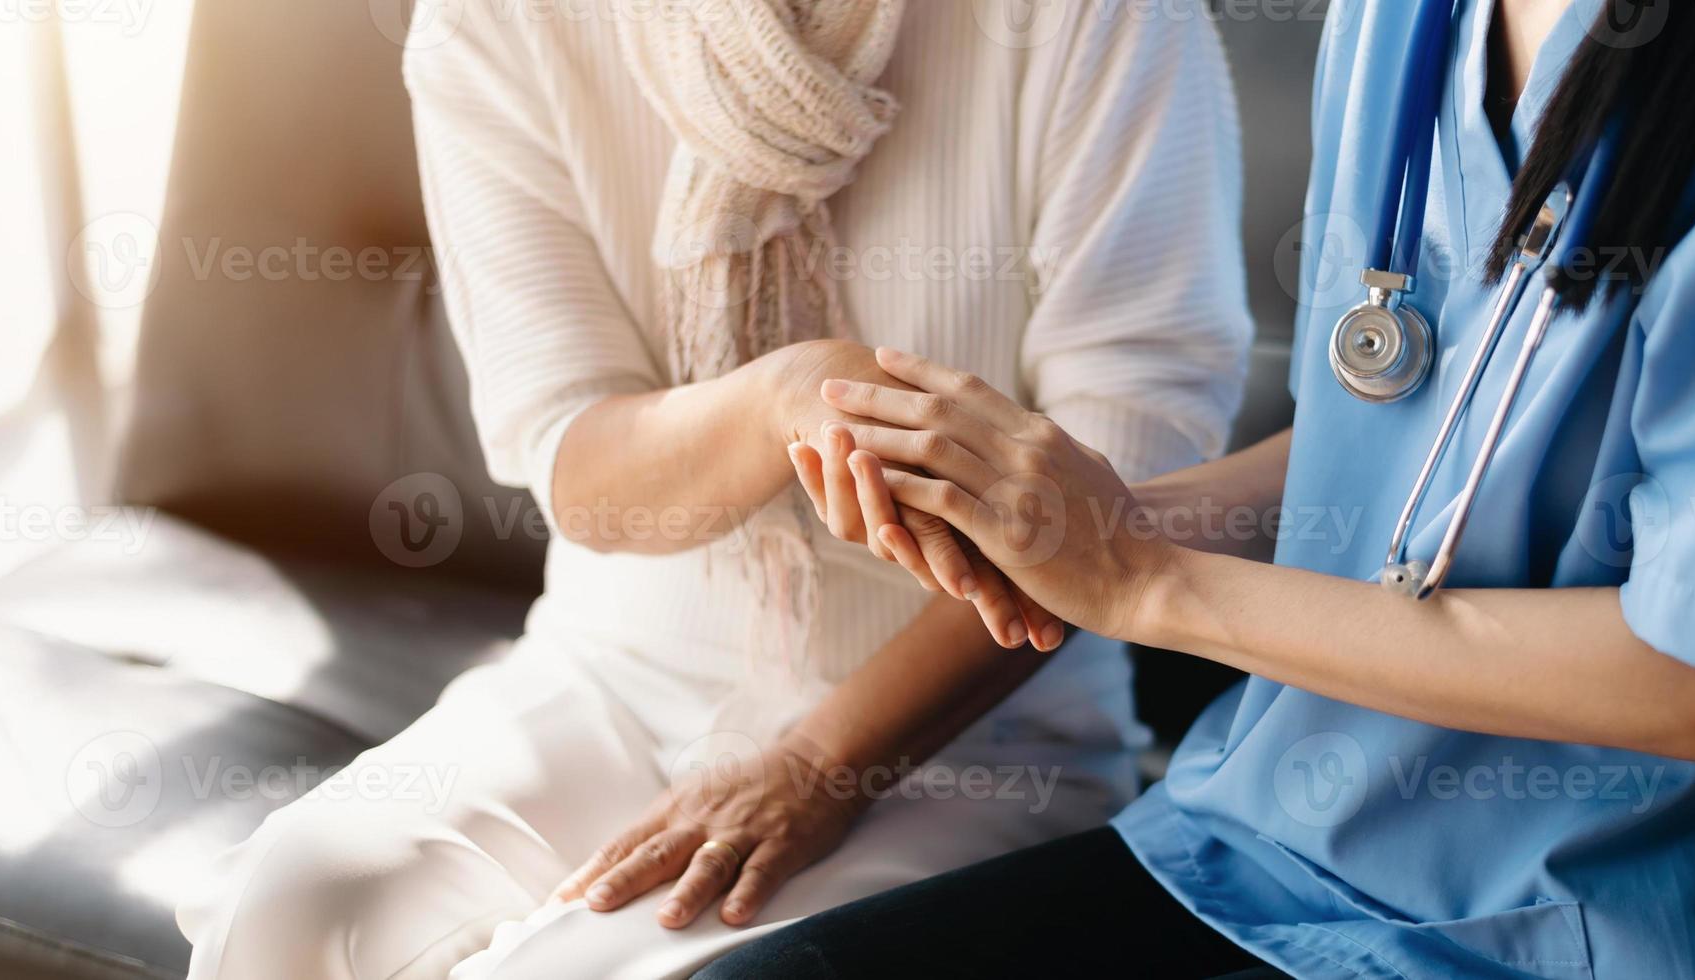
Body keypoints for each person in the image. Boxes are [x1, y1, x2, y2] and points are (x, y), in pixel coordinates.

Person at [721, 0, 1695, 977]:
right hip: (1271, 844)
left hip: (1614, 927)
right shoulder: (1408, 14)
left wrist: (1145, 579)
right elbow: (1405, 442)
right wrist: (1073, 521)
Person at [174, 1, 1251, 977]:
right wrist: (778, 401)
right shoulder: (497, 22)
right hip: (611, 679)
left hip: (977, 744)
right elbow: (573, 457)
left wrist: (817, 762)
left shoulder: (1098, 19)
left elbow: (1128, 475)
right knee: (289, 909)